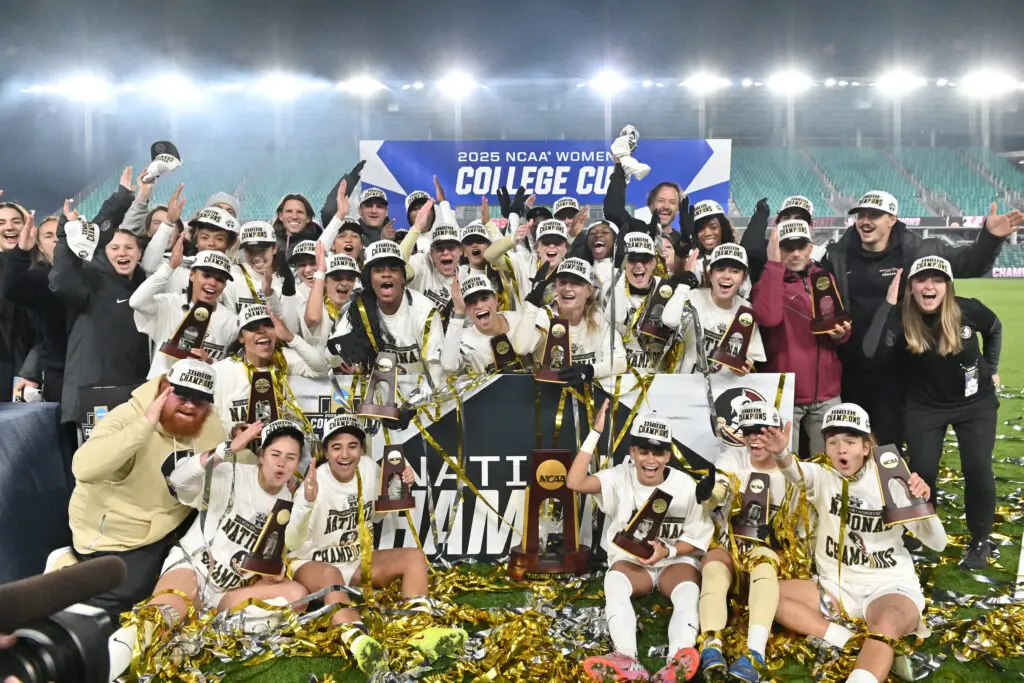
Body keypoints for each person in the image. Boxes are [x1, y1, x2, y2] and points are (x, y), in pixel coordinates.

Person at [106, 419, 309, 680]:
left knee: (298, 595)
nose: (282, 464)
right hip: (195, 570)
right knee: (158, 620)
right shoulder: (232, 474)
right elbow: (178, 480)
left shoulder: (291, 501)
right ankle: (100, 672)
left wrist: (275, 571)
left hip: (231, 591)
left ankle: (202, 628)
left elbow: (286, 551)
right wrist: (227, 448)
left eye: (291, 458)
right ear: (261, 455)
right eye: (275, 454)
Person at [770, 403, 946, 683]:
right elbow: (794, 472)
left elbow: (938, 544)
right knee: (767, 595)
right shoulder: (822, 477)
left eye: (850, 442)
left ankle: (876, 647)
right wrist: (780, 451)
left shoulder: (890, 480)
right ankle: (852, 640)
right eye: (833, 442)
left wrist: (923, 504)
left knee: (885, 623)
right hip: (835, 588)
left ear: (866, 447)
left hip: (887, 585)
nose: (841, 449)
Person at [824, 191, 1018, 444]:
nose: (865, 221)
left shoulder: (920, 250)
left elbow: (969, 263)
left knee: (889, 444)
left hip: (901, 366)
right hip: (849, 364)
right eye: (861, 215)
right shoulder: (837, 254)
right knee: (850, 439)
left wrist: (990, 238)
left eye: (875, 215)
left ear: (892, 218)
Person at [287, 415, 467, 675]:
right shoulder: (316, 482)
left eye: (353, 446)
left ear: (362, 449)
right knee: (331, 575)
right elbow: (291, 542)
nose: (345, 454)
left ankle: (419, 631)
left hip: (354, 561)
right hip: (310, 564)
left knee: (414, 556)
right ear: (326, 451)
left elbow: (377, 514)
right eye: (336, 447)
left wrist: (398, 486)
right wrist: (305, 500)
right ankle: (361, 643)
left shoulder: (370, 469)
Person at [61, 358, 226, 622]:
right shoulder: (127, 416)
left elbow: (228, 456)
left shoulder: (208, 423)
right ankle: (66, 566)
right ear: (163, 390)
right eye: (182, 395)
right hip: (119, 535)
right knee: (124, 604)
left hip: (171, 522)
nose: (190, 405)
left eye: (200, 400)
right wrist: (144, 426)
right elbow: (83, 468)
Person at [863, 256, 1000, 568]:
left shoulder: (969, 309)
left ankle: (981, 538)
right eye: (922, 279)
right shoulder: (901, 317)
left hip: (975, 404)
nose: (929, 286)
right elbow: (871, 350)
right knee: (922, 472)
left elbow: (994, 329)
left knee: (977, 468)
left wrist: (990, 367)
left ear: (947, 287)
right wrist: (887, 304)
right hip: (924, 407)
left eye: (937, 280)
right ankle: (925, 531)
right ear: (911, 286)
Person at [569, 405, 713, 682]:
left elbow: (697, 539)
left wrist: (667, 551)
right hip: (633, 564)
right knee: (614, 583)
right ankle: (626, 659)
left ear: (668, 455)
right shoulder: (618, 477)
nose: (651, 459)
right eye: (643, 451)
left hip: (672, 562)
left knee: (689, 592)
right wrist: (595, 432)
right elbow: (575, 482)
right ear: (632, 452)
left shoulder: (685, 485)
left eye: (658, 452)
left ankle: (678, 660)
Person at [693, 402, 792, 682]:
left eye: (763, 432)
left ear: (776, 433)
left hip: (768, 552)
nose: (755, 438)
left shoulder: (791, 469)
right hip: (730, 544)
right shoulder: (733, 458)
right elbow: (721, 487)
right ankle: (711, 645)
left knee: (764, 564)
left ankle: (754, 654)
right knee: (712, 566)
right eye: (749, 432)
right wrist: (709, 493)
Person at [752, 221, 849, 457]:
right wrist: (774, 265)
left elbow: (837, 323)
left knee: (828, 469)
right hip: (785, 393)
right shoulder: (767, 280)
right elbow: (769, 318)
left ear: (811, 247)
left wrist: (842, 334)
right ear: (777, 249)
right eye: (787, 247)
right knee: (785, 468)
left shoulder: (824, 278)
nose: (795, 253)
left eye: (801, 246)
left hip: (827, 393)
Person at [327, 240, 444, 384]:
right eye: (378, 270)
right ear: (369, 279)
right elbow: (334, 352)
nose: (386, 274)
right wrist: (350, 366)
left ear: (403, 277)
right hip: (374, 394)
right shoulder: (359, 307)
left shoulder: (425, 310)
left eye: (393, 269)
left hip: (419, 392)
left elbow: (435, 366)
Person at [212, 303, 328, 437]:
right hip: (241, 452)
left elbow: (321, 369)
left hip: (282, 446)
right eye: (252, 328)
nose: (262, 331)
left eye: (268, 325)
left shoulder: (285, 358)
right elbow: (211, 417)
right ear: (241, 338)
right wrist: (231, 430)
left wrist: (290, 338)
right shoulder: (221, 371)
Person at [131, 243, 240, 379]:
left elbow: (229, 366)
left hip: (203, 394)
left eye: (220, 279)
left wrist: (210, 362)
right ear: (192, 275)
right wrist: (170, 267)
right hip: (163, 390)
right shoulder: (170, 304)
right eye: (206, 275)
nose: (212, 283)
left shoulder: (231, 321)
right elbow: (136, 302)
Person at [662, 244, 766, 376]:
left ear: (743, 278)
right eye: (720, 269)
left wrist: (745, 365)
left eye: (735, 271)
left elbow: (752, 353)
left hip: (724, 391)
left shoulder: (746, 309)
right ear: (710, 275)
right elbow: (669, 320)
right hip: (687, 388)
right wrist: (685, 281)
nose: (727, 276)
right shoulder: (693, 297)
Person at [520, 257, 626, 383]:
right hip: (548, 395)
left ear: (589, 291)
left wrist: (590, 370)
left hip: (588, 398)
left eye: (576, 283)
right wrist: (532, 303)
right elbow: (521, 348)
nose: (567, 288)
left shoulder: (598, 317)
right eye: (563, 282)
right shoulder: (545, 316)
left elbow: (620, 361)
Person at [2, 213, 67, 404]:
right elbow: (11, 288)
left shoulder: (96, 275)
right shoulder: (39, 280)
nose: (56, 239)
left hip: (99, 375)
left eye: (62, 233)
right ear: (39, 246)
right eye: (48, 236)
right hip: (58, 379)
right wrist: (22, 250)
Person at [607, 232, 692, 374]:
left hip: (657, 381)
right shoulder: (611, 287)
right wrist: (620, 273)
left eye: (645, 260)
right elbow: (616, 317)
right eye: (632, 259)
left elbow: (671, 322)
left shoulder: (667, 289)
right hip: (619, 379)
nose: (639, 266)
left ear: (654, 263)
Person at [440, 274, 539, 374]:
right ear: (466, 309)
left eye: (484, 298)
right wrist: (458, 311)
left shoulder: (519, 320)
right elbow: (449, 366)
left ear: (496, 300)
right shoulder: (464, 340)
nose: (479, 305)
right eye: (472, 302)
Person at [402, 201, 461, 321]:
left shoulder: (466, 279)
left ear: (461, 251)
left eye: (451, 247)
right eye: (439, 248)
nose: (445, 252)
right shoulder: (422, 262)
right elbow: (397, 268)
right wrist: (416, 227)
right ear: (431, 252)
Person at [302, 246, 362, 347]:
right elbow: (313, 318)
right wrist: (320, 272)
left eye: (350, 279)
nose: (344, 283)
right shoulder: (312, 307)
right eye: (337, 278)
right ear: (324, 281)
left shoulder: (357, 311)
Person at [230, 220, 283, 311]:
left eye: (262, 250)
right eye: (250, 250)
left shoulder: (288, 278)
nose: (257, 257)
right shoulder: (233, 274)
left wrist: (269, 294)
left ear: (274, 248)